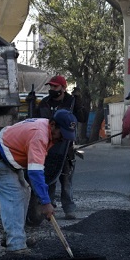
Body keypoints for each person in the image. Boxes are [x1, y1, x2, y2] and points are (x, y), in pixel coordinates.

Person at [0, 109, 77, 255]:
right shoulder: (39, 135)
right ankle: (16, 245)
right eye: (62, 134)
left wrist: (44, 199)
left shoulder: (45, 128)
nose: (63, 139)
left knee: (24, 191)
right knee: (15, 194)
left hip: (7, 160)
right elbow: (35, 172)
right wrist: (45, 202)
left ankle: (12, 236)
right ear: (53, 125)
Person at [29, 75, 88, 219]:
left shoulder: (71, 102)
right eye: (50, 86)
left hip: (65, 147)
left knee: (66, 179)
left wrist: (79, 102)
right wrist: (30, 104)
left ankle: (69, 209)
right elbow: (33, 120)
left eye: (55, 86)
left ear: (63, 88)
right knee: (49, 178)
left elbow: (83, 118)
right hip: (47, 147)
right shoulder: (44, 103)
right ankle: (49, 207)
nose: (52, 89)